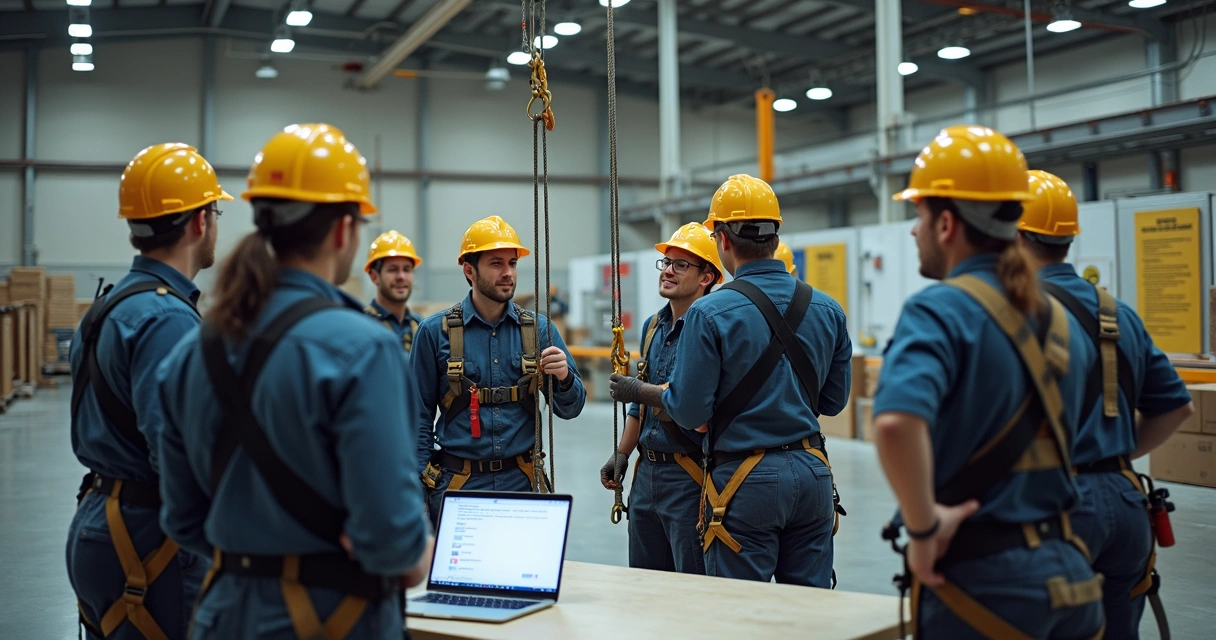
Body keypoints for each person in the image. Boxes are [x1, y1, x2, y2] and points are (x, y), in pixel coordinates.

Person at [156, 123, 432, 639]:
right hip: (332, 619)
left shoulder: (192, 350)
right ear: (344, 230)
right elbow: (395, 547)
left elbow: (183, 521)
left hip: (222, 615)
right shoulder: (363, 349)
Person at [873, 126, 1104, 639]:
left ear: (947, 223)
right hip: (1071, 574)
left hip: (986, 584)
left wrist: (924, 529)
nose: (914, 231)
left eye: (919, 215)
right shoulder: (1061, 318)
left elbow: (894, 424)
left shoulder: (939, 309)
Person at [610, 174, 852, 587]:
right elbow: (833, 401)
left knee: (738, 613)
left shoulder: (710, 313)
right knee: (813, 615)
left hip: (746, 480)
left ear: (721, 240)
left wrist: (639, 392)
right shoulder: (827, 309)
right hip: (813, 475)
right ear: (775, 235)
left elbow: (690, 410)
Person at [1017, 169, 1194, 639]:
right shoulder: (1118, 312)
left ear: (1013, 233)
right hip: (1126, 501)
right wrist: (1116, 456)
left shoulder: (1016, 312)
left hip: (1056, 502)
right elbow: (1177, 407)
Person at [67, 142, 227, 640]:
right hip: (151, 537)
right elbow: (180, 458)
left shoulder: (110, 306)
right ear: (201, 222)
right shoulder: (167, 320)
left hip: (104, 521)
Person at [412, 215, 586, 525]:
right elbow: (418, 417)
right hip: (459, 486)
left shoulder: (539, 330)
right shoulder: (433, 333)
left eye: (512, 263)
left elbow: (571, 409)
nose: (507, 273)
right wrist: (417, 489)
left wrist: (564, 378)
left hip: (522, 483)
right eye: (496, 263)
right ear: (469, 270)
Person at [600, 222, 723, 574]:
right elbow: (639, 404)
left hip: (690, 476)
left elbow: (695, 407)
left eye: (681, 265)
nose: (667, 270)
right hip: (646, 473)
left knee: (690, 585)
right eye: (667, 263)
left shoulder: (712, 329)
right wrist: (622, 454)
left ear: (707, 277)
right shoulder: (653, 326)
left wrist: (639, 391)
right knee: (643, 580)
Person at [363, 230, 425, 354]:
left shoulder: (421, 326)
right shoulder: (362, 325)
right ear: (374, 277)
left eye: (407, 269)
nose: (401, 277)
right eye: (393, 270)